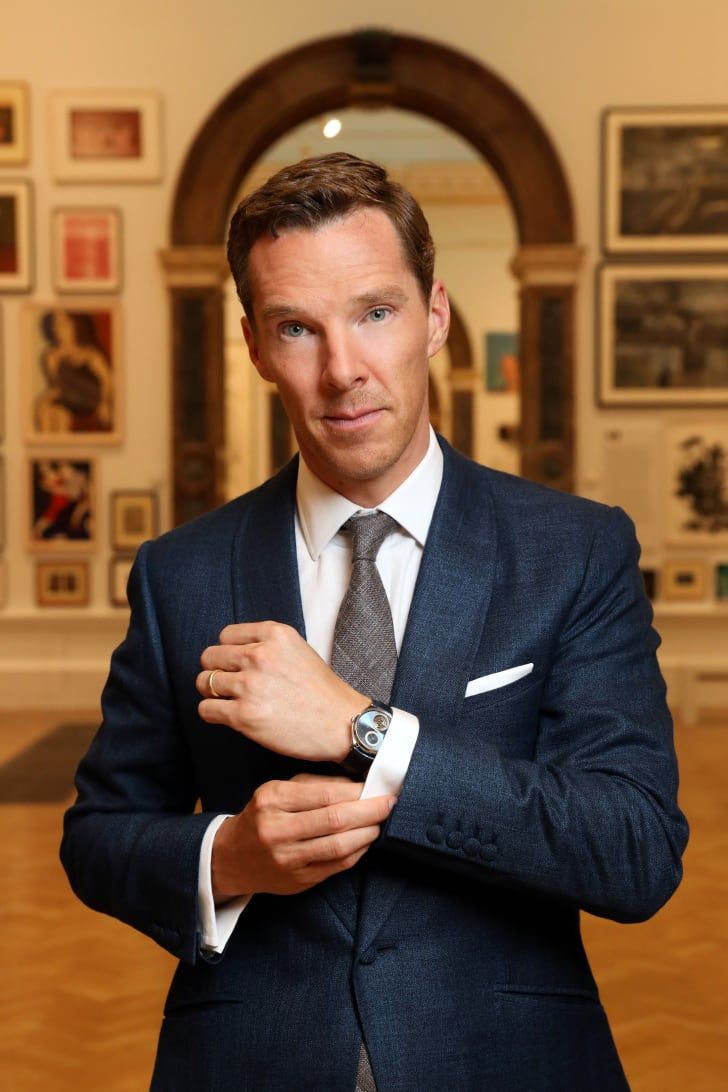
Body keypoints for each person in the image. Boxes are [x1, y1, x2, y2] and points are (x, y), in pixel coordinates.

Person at [61, 153, 688, 1091]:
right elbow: (98, 836)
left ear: (434, 317)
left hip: (506, 1057)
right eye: (297, 329)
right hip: (249, 1061)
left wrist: (368, 734)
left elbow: (634, 850)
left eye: (376, 314)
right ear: (255, 347)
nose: (343, 371)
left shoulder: (576, 551)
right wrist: (228, 855)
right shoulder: (178, 572)